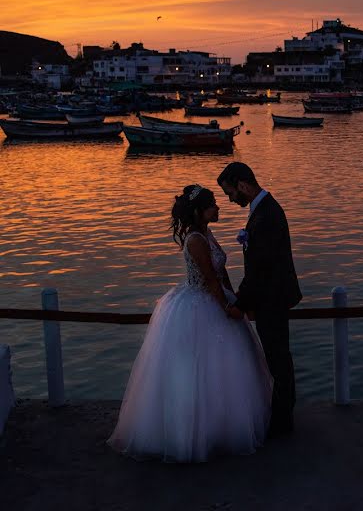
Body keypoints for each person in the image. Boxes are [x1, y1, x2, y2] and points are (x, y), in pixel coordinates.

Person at [108, 185, 272, 463]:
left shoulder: (207, 233)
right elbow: (209, 279)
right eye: (212, 206)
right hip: (201, 304)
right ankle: (194, 433)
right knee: (198, 370)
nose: (218, 208)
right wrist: (226, 308)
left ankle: (222, 426)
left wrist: (238, 301)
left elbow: (220, 273)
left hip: (218, 296)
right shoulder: (195, 239)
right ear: (199, 211)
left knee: (225, 370)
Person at [217, 162, 302, 436]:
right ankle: (281, 417)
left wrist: (240, 304)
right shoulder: (264, 211)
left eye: (231, 193)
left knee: (278, 359)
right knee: (278, 358)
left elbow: (259, 270)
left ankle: (282, 422)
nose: (231, 200)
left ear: (243, 185)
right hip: (271, 296)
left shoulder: (265, 217)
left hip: (271, 298)